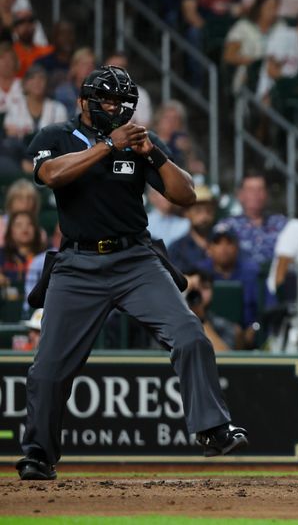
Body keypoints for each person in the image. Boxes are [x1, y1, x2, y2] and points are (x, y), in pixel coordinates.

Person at [16, 65, 247, 481]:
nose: (116, 108)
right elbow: (50, 176)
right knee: (48, 368)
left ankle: (213, 428)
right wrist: (108, 145)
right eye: (107, 100)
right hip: (78, 264)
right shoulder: (56, 137)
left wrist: (152, 154)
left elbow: (187, 195)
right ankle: (38, 452)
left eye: (123, 102)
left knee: (191, 335)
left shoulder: (140, 140)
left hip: (135, 260)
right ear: (83, 102)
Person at [217, 171, 287, 269]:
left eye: (260, 189)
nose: (256, 194)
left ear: (266, 194)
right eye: (250, 190)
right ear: (240, 195)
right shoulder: (227, 226)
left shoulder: (281, 224)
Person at [199, 223, 261, 327]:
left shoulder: (252, 272)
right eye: (217, 242)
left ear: (237, 247)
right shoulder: (199, 273)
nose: (224, 248)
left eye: (229, 242)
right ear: (209, 248)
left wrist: (254, 328)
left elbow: (265, 308)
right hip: (208, 332)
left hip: (247, 336)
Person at [184, 267, 242, 351]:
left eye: (204, 287)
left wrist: (200, 319)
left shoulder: (223, 326)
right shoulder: (166, 319)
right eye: (193, 288)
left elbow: (225, 357)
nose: (198, 292)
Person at [168, 184, 217, 272]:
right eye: (198, 211)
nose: (204, 216)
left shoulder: (223, 244)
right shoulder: (177, 248)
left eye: (209, 210)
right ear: (186, 213)